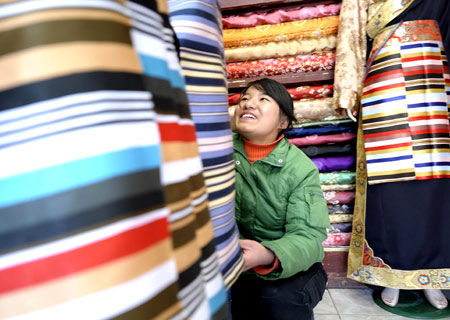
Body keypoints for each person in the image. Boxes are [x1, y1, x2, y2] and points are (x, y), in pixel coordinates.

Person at [341, 0, 450, 311]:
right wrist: (348, 90)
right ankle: (391, 271)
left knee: (434, 183)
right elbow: (350, 38)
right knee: (390, 183)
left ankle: (435, 275)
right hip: (384, 85)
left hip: (432, 83)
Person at [230, 78, 330, 320]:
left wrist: (268, 254)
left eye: (263, 99)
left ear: (283, 122)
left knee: (278, 299)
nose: (249, 104)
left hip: (289, 266)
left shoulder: (300, 169)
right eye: (244, 98)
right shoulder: (216, 153)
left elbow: (308, 236)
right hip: (231, 266)